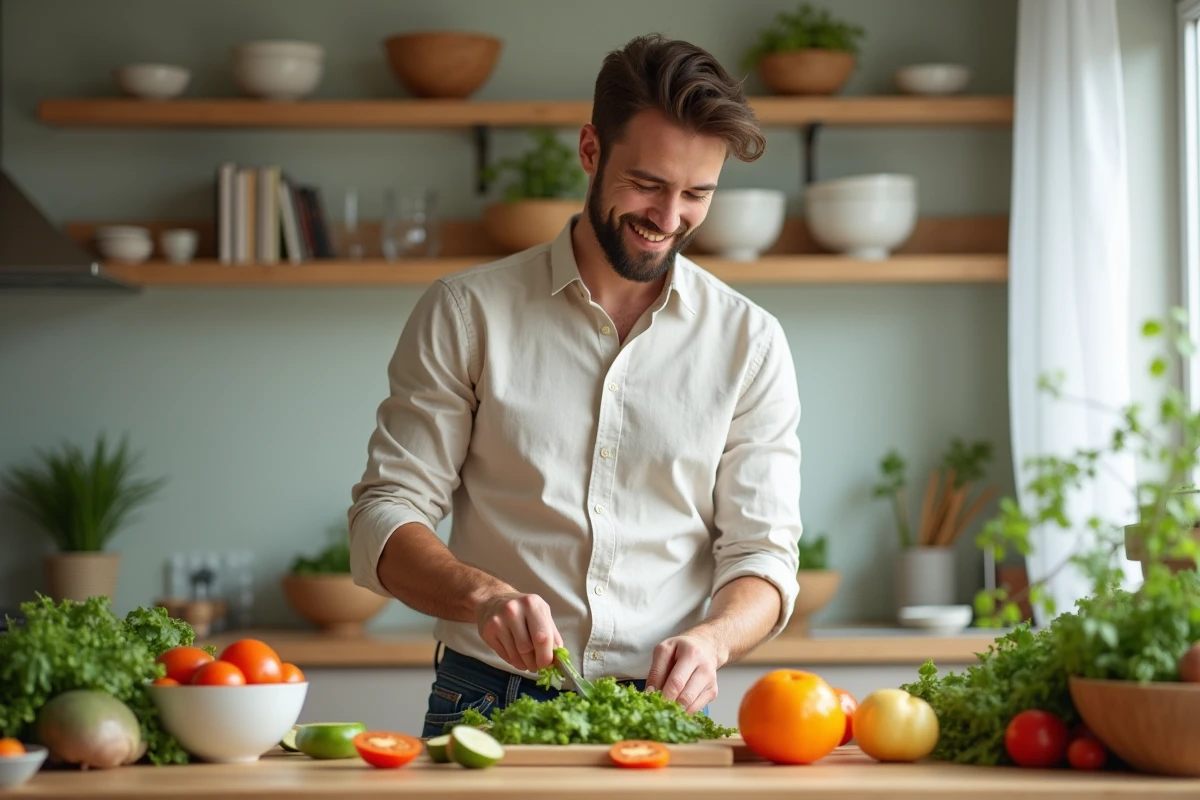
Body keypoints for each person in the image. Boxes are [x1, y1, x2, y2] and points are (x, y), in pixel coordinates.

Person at [348, 33, 803, 739]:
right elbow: (384, 514)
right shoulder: (467, 312)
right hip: (485, 698)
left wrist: (712, 642)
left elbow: (763, 558)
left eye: (697, 194)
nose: (668, 217)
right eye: (648, 184)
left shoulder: (751, 343)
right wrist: (482, 595)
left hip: (663, 710)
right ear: (591, 151)